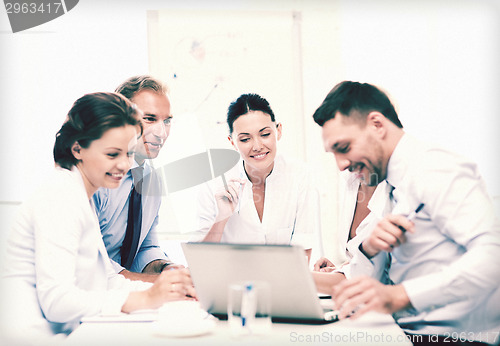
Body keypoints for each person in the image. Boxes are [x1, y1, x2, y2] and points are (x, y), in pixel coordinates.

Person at [312, 81, 500, 344]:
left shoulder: (433, 167)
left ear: (377, 125)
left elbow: (493, 257)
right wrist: (369, 247)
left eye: (343, 148)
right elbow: (374, 281)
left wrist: (401, 295)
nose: (341, 164)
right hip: (408, 333)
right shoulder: (389, 181)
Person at [1, 92, 195, 343]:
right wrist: (145, 298)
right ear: (78, 148)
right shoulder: (61, 196)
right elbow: (57, 301)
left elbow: (108, 282)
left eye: (128, 154)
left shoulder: (81, 196)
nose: (125, 166)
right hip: (33, 336)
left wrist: (169, 290)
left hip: (65, 332)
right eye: (113, 155)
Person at [194, 93, 319, 261]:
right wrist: (222, 217)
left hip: (284, 281)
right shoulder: (214, 182)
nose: (258, 146)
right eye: (245, 139)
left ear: (278, 131)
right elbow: (200, 261)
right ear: (233, 142)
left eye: (265, 134)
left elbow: (303, 250)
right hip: (231, 282)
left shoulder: (300, 175)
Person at [93, 76, 182, 283]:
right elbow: (88, 255)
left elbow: (144, 247)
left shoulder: (152, 180)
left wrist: (166, 268)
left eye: (167, 121)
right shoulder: (96, 176)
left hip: (120, 293)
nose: (162, 132)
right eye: (150, 119)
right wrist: (143, 282)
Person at [313, 172, 386, 272]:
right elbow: (358, 263)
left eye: (344, 154)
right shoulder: (351, 181)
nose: (342, 165)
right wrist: (338, 270)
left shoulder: (397, 193)